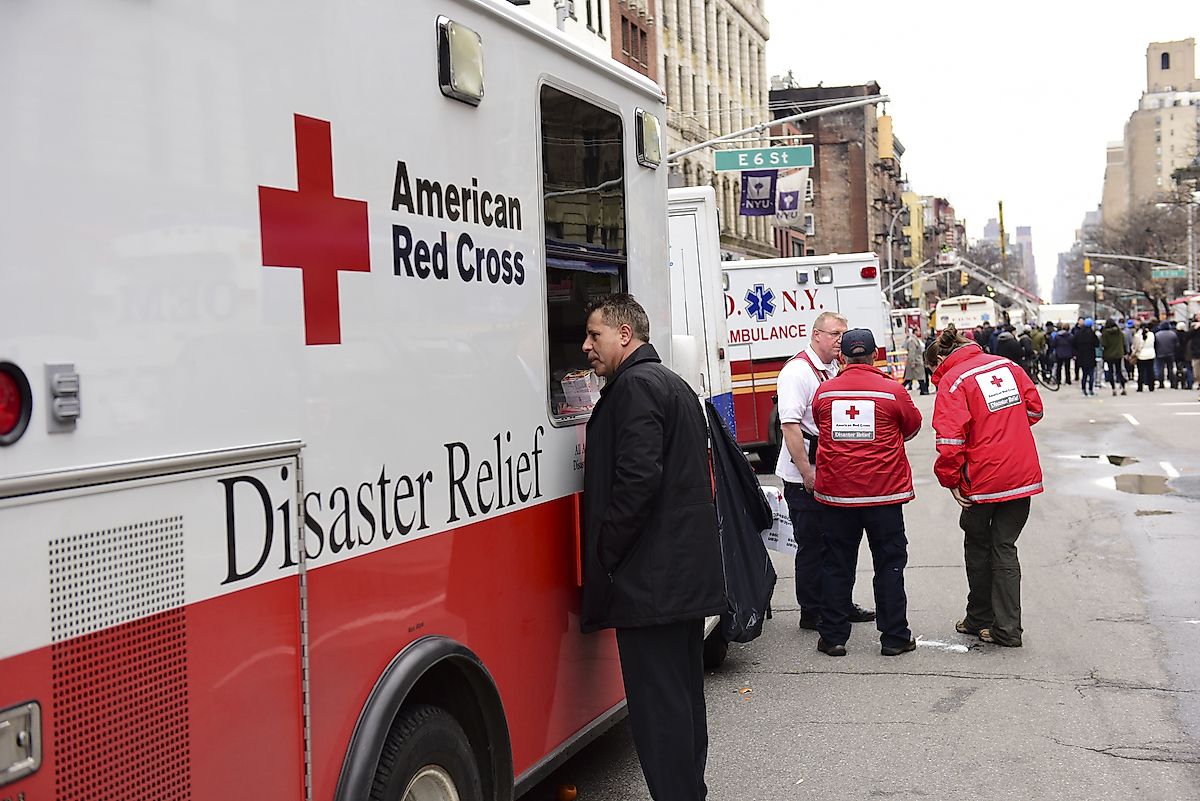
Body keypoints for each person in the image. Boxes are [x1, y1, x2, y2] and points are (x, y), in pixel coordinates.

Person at [579, 293, 725, 801]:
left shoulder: (635, 386)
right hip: (679, 579)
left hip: (652, 582)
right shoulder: (668, 381)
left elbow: (637, 480)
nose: (586, 346)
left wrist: (606, 553)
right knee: (681, 701)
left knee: (659, 709)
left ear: (624, 334)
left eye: (594, 334)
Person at [927, 325, 1044, 647]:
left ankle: (981, 617)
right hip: (1022, 474)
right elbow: (1034, 410)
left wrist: (951, 480)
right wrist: (1007, 426)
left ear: (940, 358)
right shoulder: (1009, 367)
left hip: (983, 479)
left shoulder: (954, 382)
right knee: (1004, 545)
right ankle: (1006, 626)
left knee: (978, 544)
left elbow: (950, 442)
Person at [810, 328, 923, 657]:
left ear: (842, 357)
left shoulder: (825, 393)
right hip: (884, 496)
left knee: (836, 565)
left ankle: (832, 637)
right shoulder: (892, 391)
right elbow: (912, 427)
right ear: (875, 355)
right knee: (889, 564)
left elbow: (819, 425)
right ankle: (894, 638)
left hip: (837, 497)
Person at [775, 311, 875, 631]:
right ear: (816, 335)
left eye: (843, 334)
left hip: (831, 470)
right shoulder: (797, 372)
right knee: (813, 544)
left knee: (837, 541)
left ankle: (839, 603)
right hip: (806, 472)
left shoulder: (832, 368)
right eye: (834, 334)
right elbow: (790, 427)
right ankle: (813, 610)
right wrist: (806, 472)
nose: (840, 340)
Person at [1100, 318, 1128, 396]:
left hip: (1108, 355)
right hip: (1118, 354)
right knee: (1119, 371)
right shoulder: (1119, 332)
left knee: (1111, 372)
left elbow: (1103, 344)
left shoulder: (1105, 333)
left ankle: (1113, 389)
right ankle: (1123, 388)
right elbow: (1123, 341)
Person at [1074, 318, 1100, 396]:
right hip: (1091, 356)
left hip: (1081, 356)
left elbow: (1074, 343)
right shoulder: (1092, 334)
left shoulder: (1079, 333)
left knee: (1084, 374)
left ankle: (1083, 389)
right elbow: (1097, 344)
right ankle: (1090, 389)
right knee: (1091, 374)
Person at [902, 328, 928, 394]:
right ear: (915, 331)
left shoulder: (915, 339)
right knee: (912, 378)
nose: (920, 332)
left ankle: (923, 390)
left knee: (918, 377)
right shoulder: (912, 341)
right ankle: (923, 390)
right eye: (918, 331)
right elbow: (912, 352)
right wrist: (912, 362)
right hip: (916, 361)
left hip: (917, 360)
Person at [1154, 320, 1179, 389]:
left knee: (1160, 369)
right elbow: (1176, 345)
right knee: (1170, 369)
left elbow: (1155, 345)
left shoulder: (1157, 334)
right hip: (1170, 354)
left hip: (1160, 354)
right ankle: (1172, 383)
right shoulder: (1173, 334)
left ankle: (1161, 383)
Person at [1133, 322, 1157, 392]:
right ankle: (1151, 386)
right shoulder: (1152, 334)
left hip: (1141, 355)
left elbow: (1136, 346)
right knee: (1150, 371)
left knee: (1141, 372)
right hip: (1151, 354)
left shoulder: (1137, 335)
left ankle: (1140, 387)